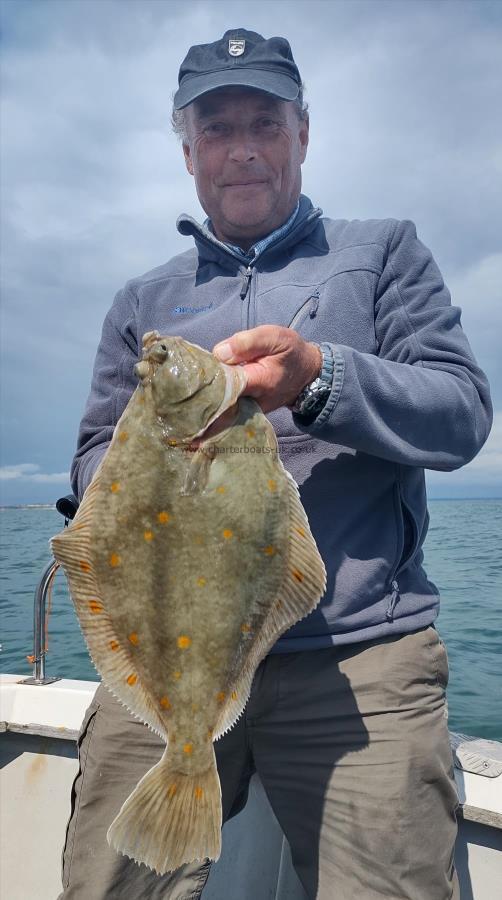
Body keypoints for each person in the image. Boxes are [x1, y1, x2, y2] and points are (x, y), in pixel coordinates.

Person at [59, 28, 492, 900]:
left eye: (267, 121)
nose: (244, 149)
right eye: (217, 129)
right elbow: (90, 464)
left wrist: (317, 376)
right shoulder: (142, 301)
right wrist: (151, 446)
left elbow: (460, 414)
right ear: (187, 152)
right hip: (174, 665)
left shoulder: (382, 254)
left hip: (360, 658)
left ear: (304, 134)